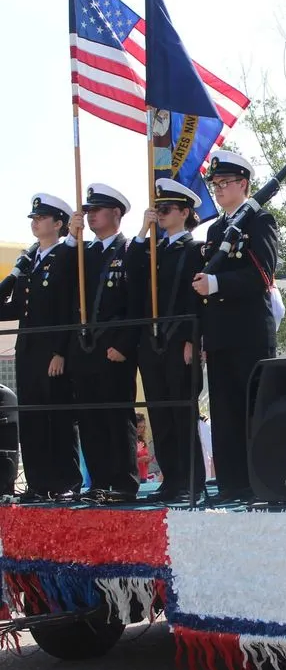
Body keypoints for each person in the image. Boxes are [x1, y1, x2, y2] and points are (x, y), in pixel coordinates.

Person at [192, 151, 278, 500]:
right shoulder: (215, 229)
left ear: (244, 184)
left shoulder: (260, 221)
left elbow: (263, 273)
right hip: (220, 333)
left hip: (249, 331)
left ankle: (261, 481)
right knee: (224, 411)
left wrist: (217, 285)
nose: (218, 189)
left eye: (225, 183)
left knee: (253, 407)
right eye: (215, 184)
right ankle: (231, 483)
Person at [127, 180, 206, 499]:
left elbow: (197, 300)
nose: (159, 214)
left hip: (179, 341)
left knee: (181, 414)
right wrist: (143, 230)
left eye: (166, 209)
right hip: (153, 342)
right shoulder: (152, 249)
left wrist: (193, 339)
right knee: (160, 415)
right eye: (157, 209)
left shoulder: (194, 249)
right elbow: (131, 270)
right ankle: (171, 479)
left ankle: (191, 480)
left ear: (185, 213)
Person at [0, 194, 81, 500]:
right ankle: (37, 484)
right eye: (33, 218)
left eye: (41, 218)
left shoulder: (66, 256)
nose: (35, 223)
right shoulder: (30, 261)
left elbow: (68, 307)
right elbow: (21, 307)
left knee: (58, 418)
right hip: (29, 350)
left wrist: (60, 350)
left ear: (58, 223)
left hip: (53, 351)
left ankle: (66, 483)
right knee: (32, 418)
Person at [66, 184, 139, 500]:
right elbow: (63, 283)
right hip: (85, 348)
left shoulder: (130, 250)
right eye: (88, 211)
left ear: (116, 214)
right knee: (90, 417)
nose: (90, 215)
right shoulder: (84, 253)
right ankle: (98, 481)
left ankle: (123, 483)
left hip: (113, 347)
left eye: (96, 210)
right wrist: (71, 236)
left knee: (115, 415)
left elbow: (136, 304)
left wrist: (124, 344)